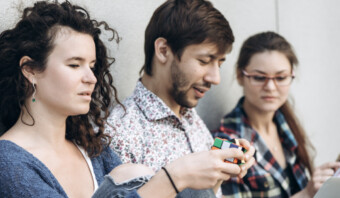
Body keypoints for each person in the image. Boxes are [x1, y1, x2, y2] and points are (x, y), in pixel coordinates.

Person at [0, 1, 254, 197]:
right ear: (30, 70)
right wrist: (174, 176)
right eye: (75, 65)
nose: (91, 78)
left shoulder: (92, 147)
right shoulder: (8, 162)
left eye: (92, 65)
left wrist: (214, 171)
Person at [105, 0, 255, 197]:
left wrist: (222, 171)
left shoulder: (191, 118)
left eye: (219, 63)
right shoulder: (120, 134)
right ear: (163, 51)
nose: (215, 78)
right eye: (204, 61)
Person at [212, 31, 340, 198]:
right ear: (240, 76)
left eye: (280, 78)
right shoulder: (228, 141)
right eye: (259, 77)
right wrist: (307, 193)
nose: (271, 87)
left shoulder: (286, 126)